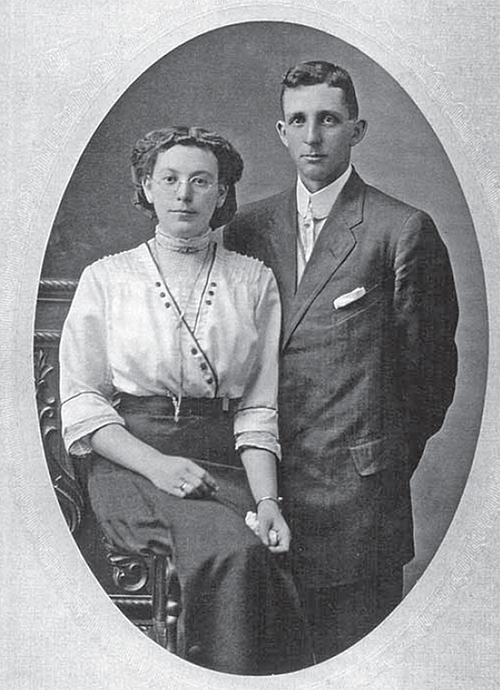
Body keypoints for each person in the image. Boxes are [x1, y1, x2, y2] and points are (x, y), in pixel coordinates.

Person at [225, 60, 459, 662]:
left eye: (328, 119)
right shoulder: (248, 227)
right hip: (262, 492)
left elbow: (429, 378)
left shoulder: (401, 228)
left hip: (359, 508)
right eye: (299, 120)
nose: (313, 136)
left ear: (356, 129)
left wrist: (374, 462)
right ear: (280, 131)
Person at [59, 126, 312, 675]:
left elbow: (258, 409)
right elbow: (82, 404)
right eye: (169, 179)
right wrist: (158, 465)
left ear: (221, 194)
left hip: (224, 461)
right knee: (236, 554)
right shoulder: (107, 278)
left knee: (281, 553)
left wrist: (269, 501)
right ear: (147, 187)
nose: (184, 194)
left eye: (202, 181)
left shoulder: (254, 281)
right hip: (133, 461)